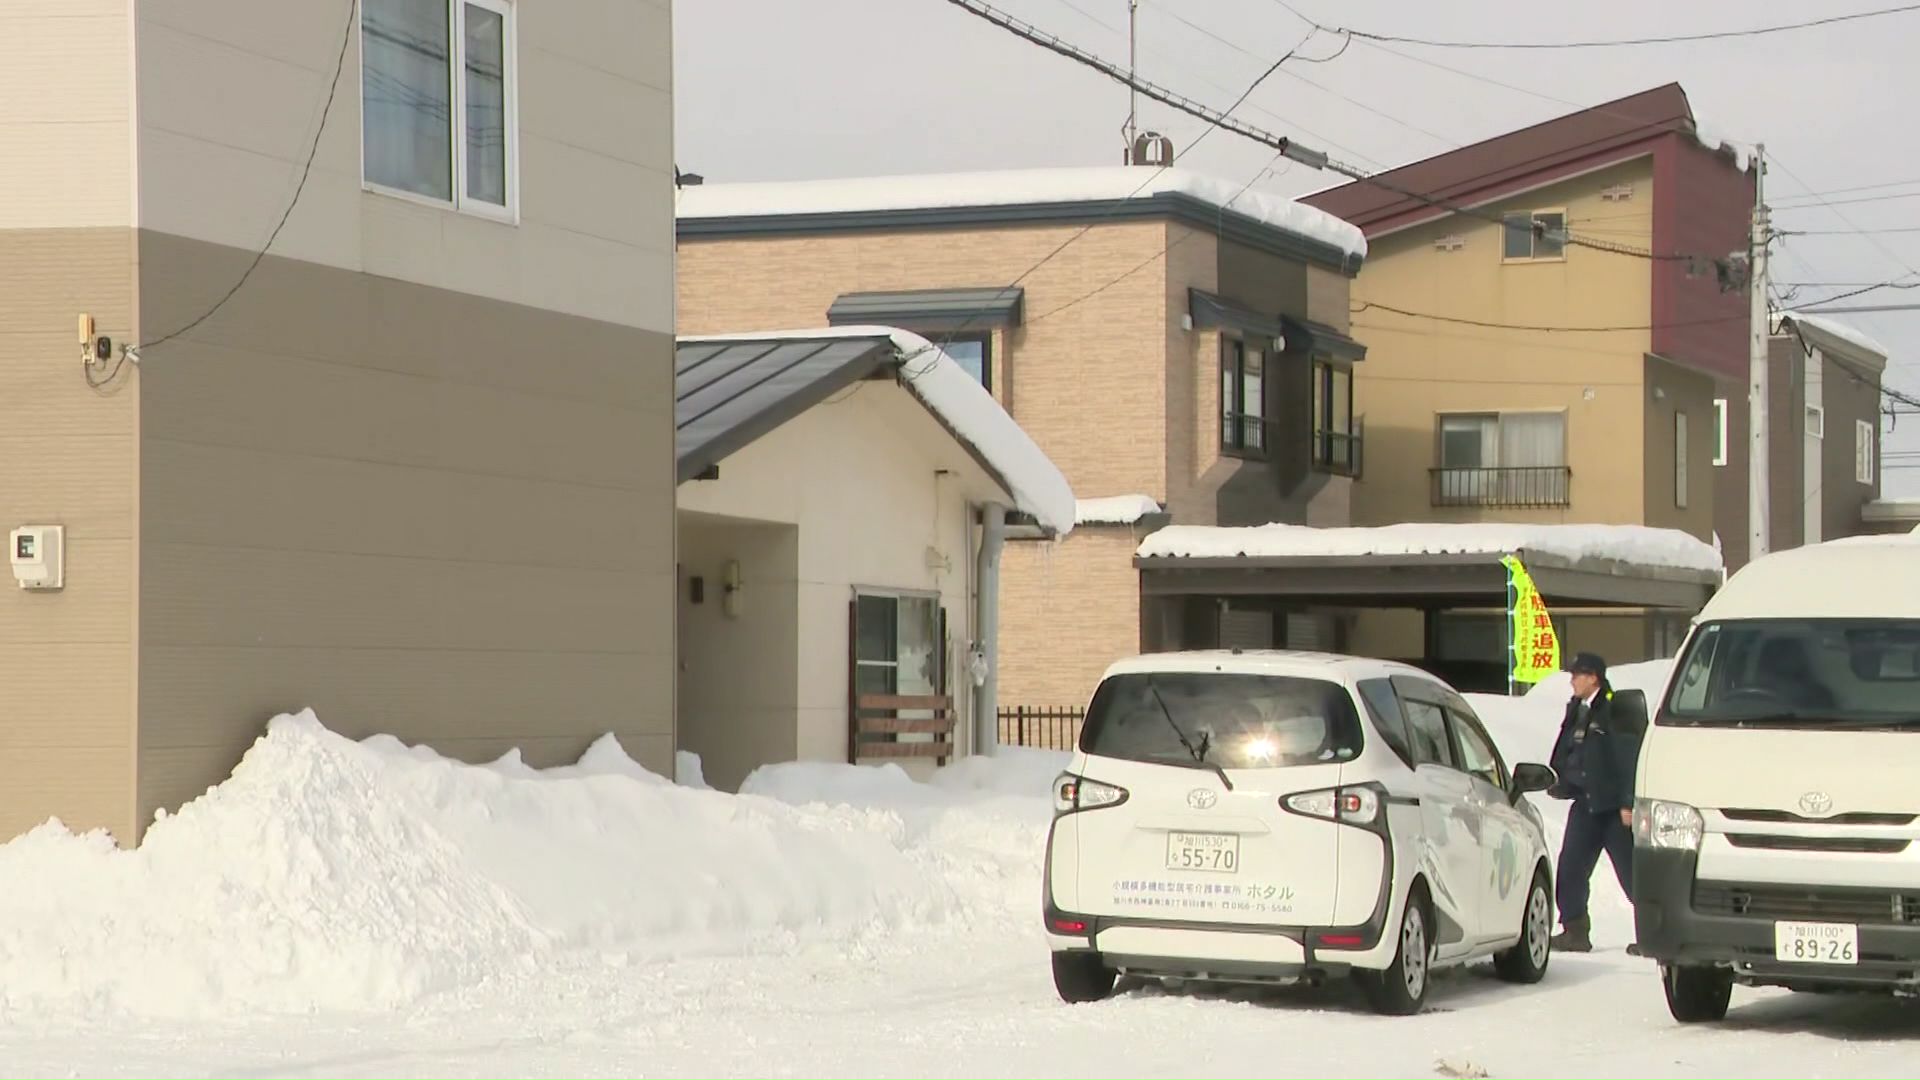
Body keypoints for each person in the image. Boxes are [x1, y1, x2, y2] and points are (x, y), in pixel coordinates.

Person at [1546, 652, 1645, 953]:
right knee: (1571, 867)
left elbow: (1629, 758)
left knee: (1633, 875)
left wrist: (1628, 802)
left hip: (1614, 809)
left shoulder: (1614, 709)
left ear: (1593, 678)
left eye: (1577, 675)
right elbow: (1567, 751)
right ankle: (1575, 930)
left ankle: (1654, 933)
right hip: (1586, 804)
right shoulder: (1579, 710)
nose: (1572, 681)